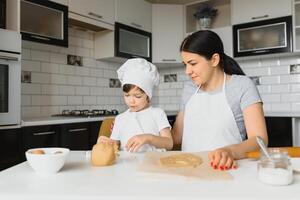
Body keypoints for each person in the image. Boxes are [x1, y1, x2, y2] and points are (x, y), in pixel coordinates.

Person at [172, 30, 268, 170]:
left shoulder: (242, 85)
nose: (187, 71)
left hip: (228, 170)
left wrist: (230, 152)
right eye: (185, 64)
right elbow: (176, 137)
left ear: (214, 60)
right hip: (190, 171)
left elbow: (260, 140)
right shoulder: (189, 89)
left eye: (192, 63)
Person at [98, 58, 173, 152]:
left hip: (152, 163)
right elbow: (116, 145)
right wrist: (107, 143)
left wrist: (149, 138)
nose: (131, 101)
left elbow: (169, 144)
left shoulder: (157, 113)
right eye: (127, 95)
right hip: (126, 165)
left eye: (137, 96)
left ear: (148, 96)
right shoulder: (120, 119)